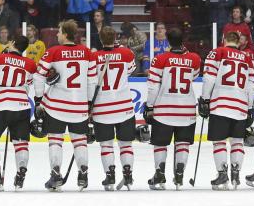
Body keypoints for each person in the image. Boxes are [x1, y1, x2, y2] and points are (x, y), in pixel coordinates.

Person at [33, 19, 96, 191]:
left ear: (66, 34)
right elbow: (92, 80)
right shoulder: (87, 52)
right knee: (80, 141)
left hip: (56, 107)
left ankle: (55, 175)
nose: (57, 34)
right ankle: (83, 174)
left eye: (59, 31)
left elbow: (38, 76)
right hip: (79, 107)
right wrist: (89, 102)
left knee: (55, 141)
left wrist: (38, 100)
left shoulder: (53, 51)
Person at [144, 27, 201, 190]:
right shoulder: (194, 58)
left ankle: (160, 175)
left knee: (160, 144)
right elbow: (195, 76)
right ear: (183, 40)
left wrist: (149, 106)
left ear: (168, 41)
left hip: (164, 111)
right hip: (187, 110)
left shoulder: (160, 59)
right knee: (183, 143)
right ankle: (179, 174)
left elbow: (153, 86)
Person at [0, 34, 36, 191]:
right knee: (21, 142)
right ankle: (21, 174)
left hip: (0, 106)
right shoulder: (30, 64)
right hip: (22, 106)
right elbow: (29, 83)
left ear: (13, 43)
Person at [199, 30, 253, 190]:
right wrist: (250, 107)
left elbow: (209, 78)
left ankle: (222, 175)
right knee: (237, 142)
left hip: (220, 105)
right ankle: (235, 173)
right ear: (239, 42)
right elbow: (250, 86)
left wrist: (204, 99)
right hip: (240, 106)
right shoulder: (247, 59)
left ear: (223, 40)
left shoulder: (218, 52)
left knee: (219, 142)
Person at [93, 26, 138, 191]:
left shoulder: (94, 57)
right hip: (124, 107)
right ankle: (128, 173)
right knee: (126, 145)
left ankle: (110, 175)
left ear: (100, 39)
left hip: (102, 109)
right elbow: (131, 70)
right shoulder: (126, 53)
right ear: (115, 38)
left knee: (106, 145)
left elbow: (91, 80)